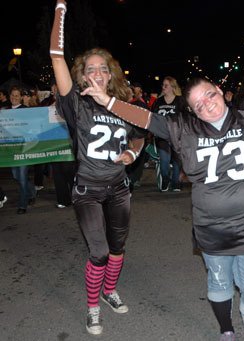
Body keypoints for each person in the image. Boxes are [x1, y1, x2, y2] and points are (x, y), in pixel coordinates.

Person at [80, 10, 244, 340]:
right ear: (192, 112)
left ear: (220, 91)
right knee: (219, 282)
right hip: (211, 227)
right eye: (196, 103)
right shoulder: (185, 129)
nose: (206, 103)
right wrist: (108, 102)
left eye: (209, 94)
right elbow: (146, 119)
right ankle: (226, 330)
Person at [50, 0, 146, 335]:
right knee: (100, 251)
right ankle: (93, 306)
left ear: (111, 73)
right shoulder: (75, 103)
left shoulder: (122, 105)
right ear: (82, 75)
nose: (97, 72)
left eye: (102, 68)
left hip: (119, 188)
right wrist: (61, 11)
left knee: (118, 248)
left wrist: (133, 155)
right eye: (90, 68)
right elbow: (56, 57)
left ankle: (109, 292)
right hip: (88, 188)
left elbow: (139, 137)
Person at [151, 76, 185, 191]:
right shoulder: (158, 101)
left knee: (177, 160)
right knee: (164, 160)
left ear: (172, 87)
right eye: (163, 85)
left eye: (166, 85)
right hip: (162, 135)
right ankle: (165, 179)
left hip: (177, 136)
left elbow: (186, 117)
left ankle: (176, 182)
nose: (163, 87)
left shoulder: (180, 100)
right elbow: (152, 117)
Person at [8, 86, 37, 214]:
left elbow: (32, 127)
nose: (14, 97)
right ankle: (32, 191)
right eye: (12, 95)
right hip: (12, 150)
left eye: (17, 95)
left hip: (24, 148)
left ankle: (22, 205)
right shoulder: (4, 112)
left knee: (22, 177)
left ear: (20, 97)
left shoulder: (26, 110)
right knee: (16, 176)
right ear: (9, 97)